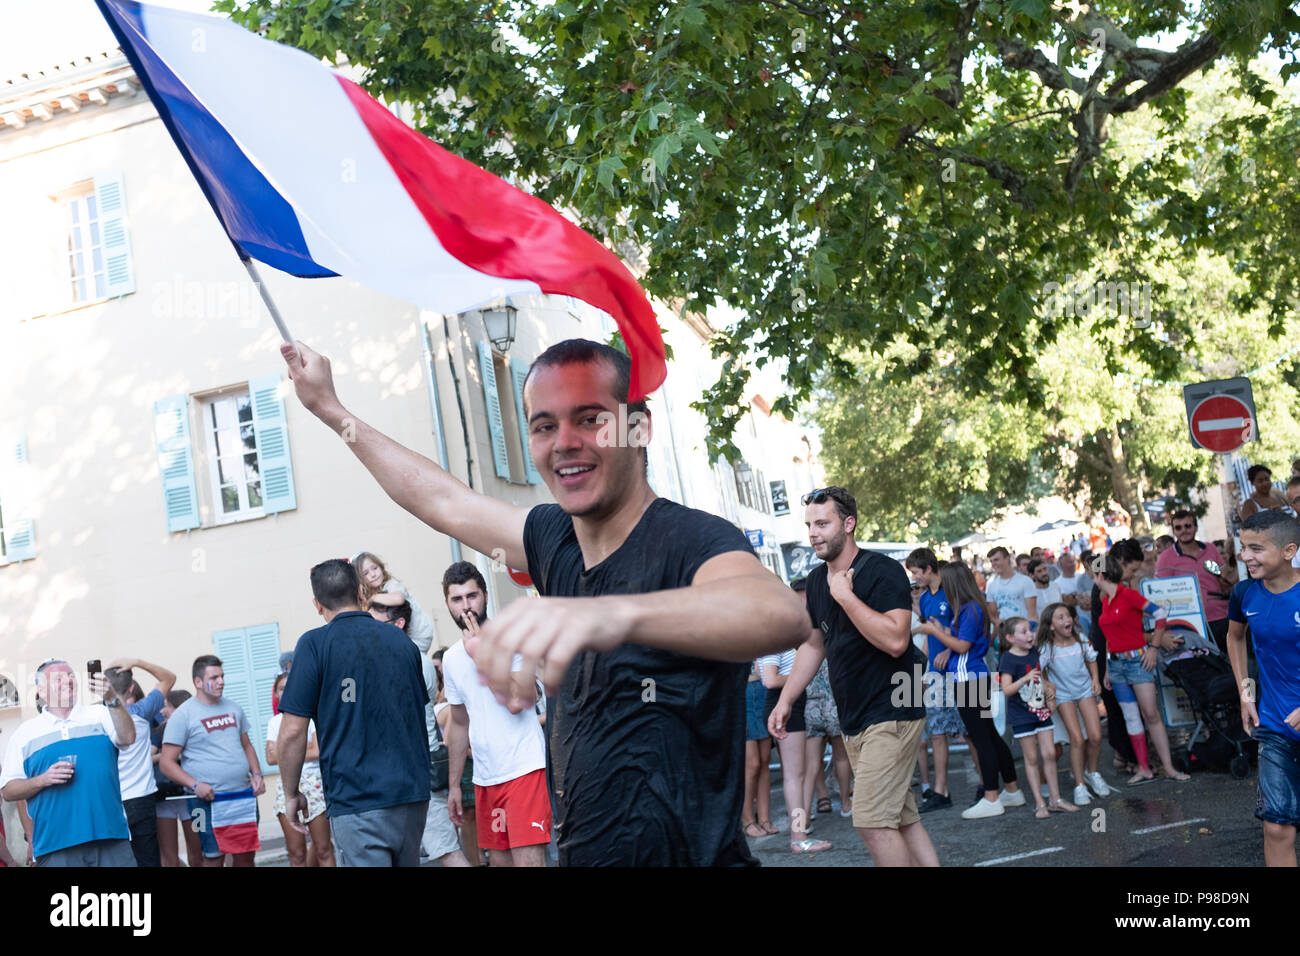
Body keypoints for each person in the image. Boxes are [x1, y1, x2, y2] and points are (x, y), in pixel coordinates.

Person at [282, 337, 806, 866]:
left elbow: (780, 614)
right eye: (544, 426)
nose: (565, 442)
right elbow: (438, 496)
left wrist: (610, 614)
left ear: (639, 428)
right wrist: (331, 409)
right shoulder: (552, 538)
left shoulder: (692, 538)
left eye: (591, 419)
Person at [770, 487, 939, 865]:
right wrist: (786, 700)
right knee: (901, 818)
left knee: (872, 822)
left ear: (849, 524)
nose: (813, 533)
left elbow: (896, 640)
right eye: (809, 525)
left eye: (822, 523)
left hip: (895, 704)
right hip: (856, 717)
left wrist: (845, 596)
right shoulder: (816, 581)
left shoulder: (881, 570)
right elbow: (814, 646)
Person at [277, 559, 431, 867]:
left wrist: (291, 792)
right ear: (362, 593)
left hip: (357, 798)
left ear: (317, 604)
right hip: (411, 793)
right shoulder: (401, 641)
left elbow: (293, 731)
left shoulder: (314, 645)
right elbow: (417, 713)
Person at [439, 561, 550, 867]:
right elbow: (459, 723)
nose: (466, 606)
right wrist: (452, 787)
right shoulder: (451, 658)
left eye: (471, 596)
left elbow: (519, 701)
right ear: (447, 604)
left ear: (485, 596)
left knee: (529, 863)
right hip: (485, 777)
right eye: (456, 599)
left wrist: (483, 654)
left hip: (523, 768)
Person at [0, 660, 137, 866]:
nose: (68, 681)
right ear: (41, 690)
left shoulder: (100, 714)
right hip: (55, 845)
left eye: (71, 676)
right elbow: (8, 791)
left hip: (110, 836)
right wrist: (42, 780)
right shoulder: (25, 734)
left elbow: (128, 738)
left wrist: (112, 698)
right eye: (58, 678)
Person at [368, 597, 469, 867]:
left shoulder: (411, 657)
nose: (370, 632)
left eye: (376, 624)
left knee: (446, 850)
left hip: (416, 767)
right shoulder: (402, 655)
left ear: (399, 624)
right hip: (407, 769)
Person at [1227, 510, 1300, 866]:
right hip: (1274, 726)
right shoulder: (1243, 594)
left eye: (1257, 548)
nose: (1246, 557)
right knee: (1276, 828)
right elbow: (1235, 637)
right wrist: (1245, 692)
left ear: (1288, 550)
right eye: (1243, 548)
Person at [927, 561, 1023, 820]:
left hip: (969, 680)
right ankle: (1011, 790)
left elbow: (962, 646)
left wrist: (935, 631)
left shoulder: (969, 609)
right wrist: (947, 635)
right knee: (990, 735)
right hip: (973, 677)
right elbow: (969, 642)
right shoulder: (971, 607)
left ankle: (991, 796)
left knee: (982, 739)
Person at [1093, 549, 1190, 785]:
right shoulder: (1105, 600)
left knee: (1150, 714)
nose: (1092, 577)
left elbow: (1160, 613)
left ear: (1102, 574)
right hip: (1116, 665)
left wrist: (1154, 648)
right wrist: (1107, 669)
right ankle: (1144, 768)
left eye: (1094, 572)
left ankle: (1168, 767)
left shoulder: (1128, 595)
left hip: (1138, 661)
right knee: (1131, 717)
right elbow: (1109, 637)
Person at [160, 656, 265, 866]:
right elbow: (166, 763)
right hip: (205, 801)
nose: (221, 681)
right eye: (214, 677)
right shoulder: (183, 715)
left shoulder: (234, 708)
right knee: (213, 856)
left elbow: (247, 745)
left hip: (242, 796)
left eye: (222, 676)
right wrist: (195, 785)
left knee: (246, 856)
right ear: (198, 682)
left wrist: (257, 774)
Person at [998, 617, 1074, 818]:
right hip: (1021, 715)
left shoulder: (1034, 652)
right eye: (1023, 632)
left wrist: (1050, 694)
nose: (1030, 635)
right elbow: (1006, 689)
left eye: (1030, 631)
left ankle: (1055, 799)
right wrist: (1023, 679)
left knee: (1049, 754)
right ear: (1010, 638)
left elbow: (1041, 678)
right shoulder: (1007, 659)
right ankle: (1040, 803)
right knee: (1031, 759)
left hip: (1041, 711)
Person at [103, 658, 176, 867]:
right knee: (148, 861)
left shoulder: (94, 717)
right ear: (132, 688)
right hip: (141, 799)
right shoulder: (142, 710)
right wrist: (137, 662)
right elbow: (169, 678)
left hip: (111, 800)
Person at [905, 547, 961, 813]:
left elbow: (966, 629)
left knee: (972, 733)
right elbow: (929, 636)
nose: (915, 579)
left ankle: (988, 786)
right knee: (937, 733)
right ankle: (941, 791)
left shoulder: (953, 593)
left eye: (917, 573)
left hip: (961, 670)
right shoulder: (926, 599)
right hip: (937, 676)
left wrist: (950, 649)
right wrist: (925, 671)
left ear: (928, 569)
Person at [1037, 603, 1110, 805]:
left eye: (1068, 616)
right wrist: (1047, 684)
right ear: (1051, 626)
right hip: (1063, 695)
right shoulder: (1047, 648)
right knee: (1076, 739)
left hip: (1084, 690)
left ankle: (1092, 772)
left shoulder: (1081, 640)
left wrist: (1095, 679)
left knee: (1095, 736)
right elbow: (1038, 669)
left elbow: (1092, 659)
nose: (1066, 620)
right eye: (1060, 618)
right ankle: (1079, 785)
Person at [759, 645, 829, 852]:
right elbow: (769, 680)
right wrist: (798, 678)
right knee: (794, 777)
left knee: (797, 775)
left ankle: (799, 835)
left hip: (790, 708)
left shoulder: (783, 645)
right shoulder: (774, 644)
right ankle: (798, 837)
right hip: (784, 708)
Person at [265, 672, 334, 867]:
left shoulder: (312, 717)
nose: (286, 692)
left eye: (290, 687)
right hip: (286, 784)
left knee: (323, 849)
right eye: (281, 688)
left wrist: (285, 749)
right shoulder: (274, 722)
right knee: (296, 854)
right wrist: (303, 748)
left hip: (315, 783)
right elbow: (270, 758)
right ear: (276, 694)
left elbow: (318, 751)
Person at [1155, 510, 1235, 652]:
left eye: (1188, 526)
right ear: (1173, 531)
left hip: (1221, 617)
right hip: (1190, 625)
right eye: (1178, 528)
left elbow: (1225, 580)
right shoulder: (1165, 558)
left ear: (1196, 527)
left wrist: (1236, 564)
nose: (1184, 531)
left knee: (1231, 665)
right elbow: (1161, 596)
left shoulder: (1210, 548)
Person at [152, 690, 202, 867]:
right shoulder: (160, 729)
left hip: (194, 796)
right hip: (165, 798)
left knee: (198, 854)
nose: (162, 711)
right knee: (169, 859)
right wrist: (169, 756)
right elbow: (148, 758)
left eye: (166, 706)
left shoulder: (196, 727)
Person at [356, 551, 437, 653]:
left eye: (375, 568)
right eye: (365, 573)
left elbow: (398, 599)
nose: (373, 574)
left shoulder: (391, 584)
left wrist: (373, 598)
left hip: (420, 634)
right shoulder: (375, 591)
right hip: (410, 635)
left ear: (381, 567)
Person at [984, 546, 1038, 635]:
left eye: (996, 560)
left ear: (1007, 558)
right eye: (991, 561)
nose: (993, 564)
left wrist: (1025, 632)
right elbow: (993, 615)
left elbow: (1033, 616)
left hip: (1025, 634)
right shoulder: (992, 586)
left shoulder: (1025, 581)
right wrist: (996, 622)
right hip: (1005, 635)